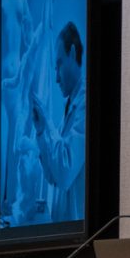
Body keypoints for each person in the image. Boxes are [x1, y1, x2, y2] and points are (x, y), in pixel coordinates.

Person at [30, 21, 86, 223]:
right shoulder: (70, 106)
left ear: (72, 53)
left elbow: (64, 172)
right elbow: (52, 176)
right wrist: (40, 132)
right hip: (64, 231)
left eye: (59, 64)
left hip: (78, 236)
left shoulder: (86, 102)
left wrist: (48, 124)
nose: (55, 79)